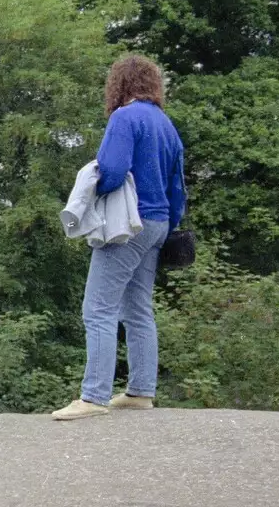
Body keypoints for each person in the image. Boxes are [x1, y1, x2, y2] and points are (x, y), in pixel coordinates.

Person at [52, 55, 186, 421]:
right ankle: (141, 391)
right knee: (138, 309)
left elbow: (110, 169)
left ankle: (93, 396)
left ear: (119, 85)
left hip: (129, 224)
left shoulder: (124, 118)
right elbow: (178, 186)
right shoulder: (166, 124)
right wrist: (167, 225)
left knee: (97, 309)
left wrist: (99, 189)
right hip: (159, 224)